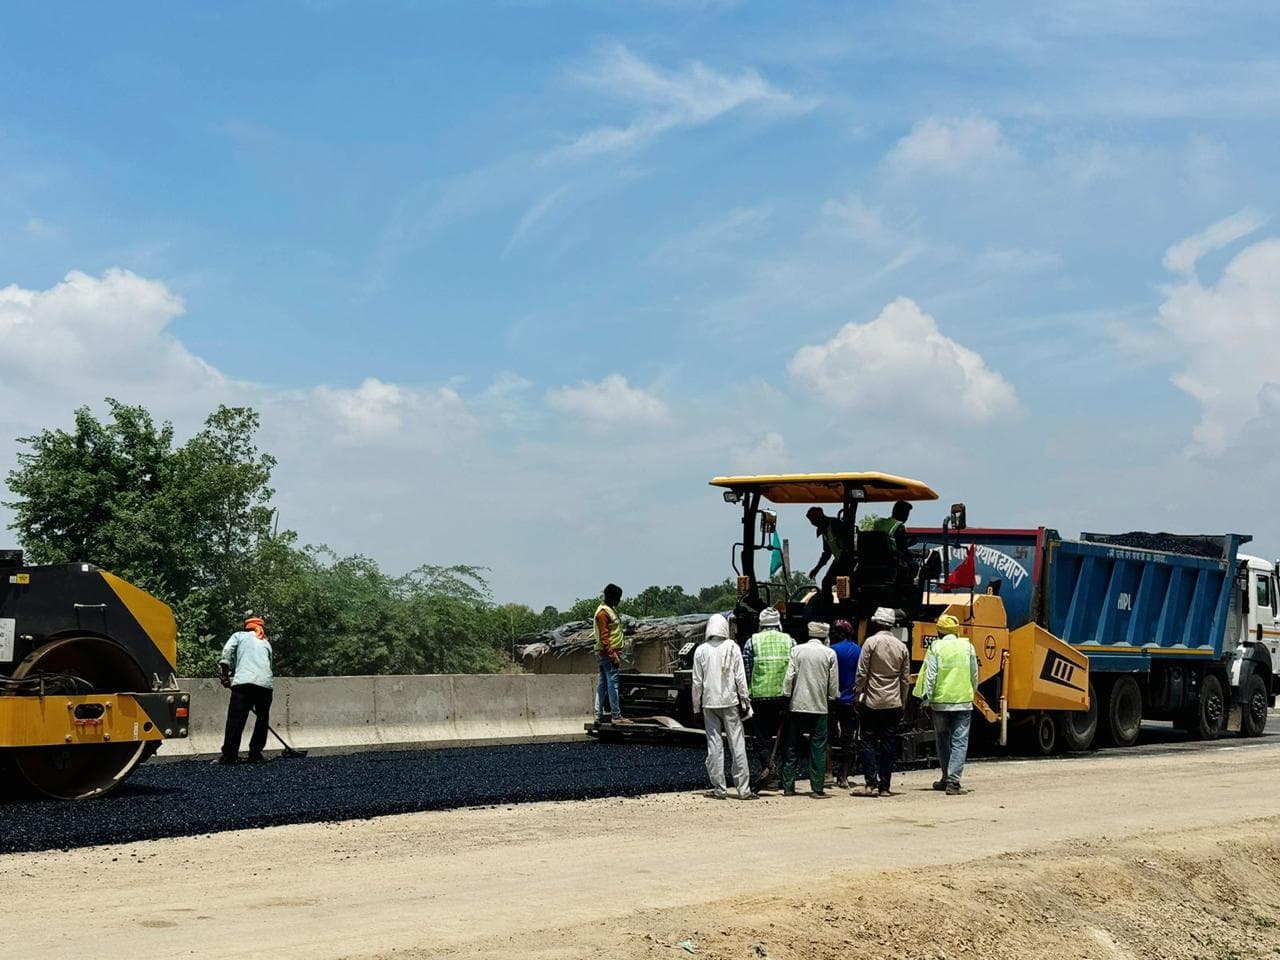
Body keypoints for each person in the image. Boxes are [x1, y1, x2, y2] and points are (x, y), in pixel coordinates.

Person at [692, 614, 756, 800]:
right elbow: (740, 678)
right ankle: (743, 790)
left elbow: (697, 682)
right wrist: (745, 701)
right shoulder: (733, 647)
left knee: (714, 745)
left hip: (709, 703)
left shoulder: (701, 650)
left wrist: (696, 708)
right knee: (737, 744)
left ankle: (719, 789)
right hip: (730, 702)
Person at [853, 607, 910, 797]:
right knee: (888, 743)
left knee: (867, 740)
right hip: (893, 702)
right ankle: (885, 786)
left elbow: (862, 673)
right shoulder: (901, 647)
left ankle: (870, 784)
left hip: (872, 701)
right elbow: (905, 679)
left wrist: (857, 694)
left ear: (876, 624)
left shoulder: (870, 643)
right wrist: (903, 701)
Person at [920, 614, 979, 795]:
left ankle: (946, 778)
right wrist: (971, 691)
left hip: (940, 702)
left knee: (942, 739)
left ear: (939, 632)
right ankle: (953, 782)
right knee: (959, 742)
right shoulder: (968, 646)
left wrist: (927, 698)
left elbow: (931, 675)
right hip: (963, 701)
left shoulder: (935, 647)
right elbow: (974, 674)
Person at [781, 621, 839, 797]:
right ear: (825, 636)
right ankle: (817, 788)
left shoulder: (796, 650)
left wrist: (786, 696)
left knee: (792, 746)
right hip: (819, 707)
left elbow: (789, 677)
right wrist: (832, 698)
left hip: (797, 705)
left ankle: (788, 787)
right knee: (818, 746)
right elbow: (833, 683)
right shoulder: (829, 653)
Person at [742, 606, 794, 778]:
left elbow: (747, 671)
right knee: (785, 738)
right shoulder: (790, 641)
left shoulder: (752, 642)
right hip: (783, 697)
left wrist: (747, 693)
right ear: (778, 623)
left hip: (759, 696)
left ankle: (769, 773)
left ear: (761, 624)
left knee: (763, 737)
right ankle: (787, 778)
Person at [216, 614, 274, 765]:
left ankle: (229, 755)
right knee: (262, 719)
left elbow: (227, 653)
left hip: (243, 684)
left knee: (236, 720)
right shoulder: (266, 642)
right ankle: (255, 754)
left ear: (246, 627)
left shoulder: (239, 636)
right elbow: (269, 665)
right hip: (265, 685)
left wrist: (225, 675)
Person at [828, 619, 862, 788]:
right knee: (848, 738)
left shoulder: (832, 650)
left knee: (827, 736)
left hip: (832, 700)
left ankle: (828, 773)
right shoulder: (858, 650)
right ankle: (844, 776)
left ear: (840, 633)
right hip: (850, 700)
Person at [593, 583, 630, 725]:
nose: (619, 600)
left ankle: (598, 715)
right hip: (609, 654)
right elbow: (604, 636)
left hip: (605, 654)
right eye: (618, 598)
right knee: (612, 684)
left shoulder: (608, 610)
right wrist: (612, 654)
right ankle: (616, 716)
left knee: (603, 684)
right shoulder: (603, 614)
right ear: (612, 597)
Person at [805, 507, 851, 598]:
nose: (813, 524)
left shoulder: (835, 524)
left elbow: (847, 545)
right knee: (826, 582)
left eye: (813, 521)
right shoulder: (824, 530)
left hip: (847, 560)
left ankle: (844, 604)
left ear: (820, 518)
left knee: (841, 587)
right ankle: (828, 604)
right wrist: (817, 568)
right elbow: (827, 553)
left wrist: (843, 564)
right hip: (839, 561)